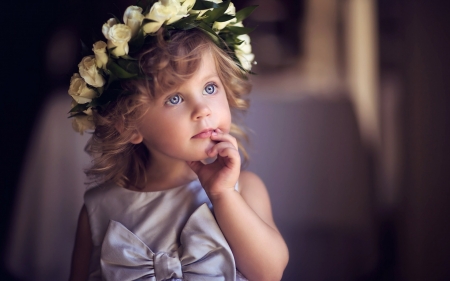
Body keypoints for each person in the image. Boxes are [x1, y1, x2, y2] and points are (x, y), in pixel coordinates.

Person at [69, 1, 289, 280]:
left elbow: (270, 272)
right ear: (130, 124)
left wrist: (223, 195)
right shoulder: (99, 210)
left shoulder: (243, 189)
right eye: (174, 98)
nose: (202, 110)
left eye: (210, 87)